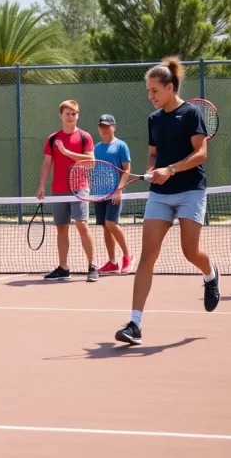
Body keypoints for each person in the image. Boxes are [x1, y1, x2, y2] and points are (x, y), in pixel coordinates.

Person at [115, 57, 220, 346]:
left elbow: (201, 154)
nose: (150, 96)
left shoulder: (191, 114)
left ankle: (210, 275)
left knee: (190, 251)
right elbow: (153, 153)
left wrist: (171, 169)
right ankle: (134, 324)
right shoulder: (154, 120)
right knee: (147, 256)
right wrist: (151, 169)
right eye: (148, 91)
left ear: (170, 87)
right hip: (160, 195)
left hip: (190, 190)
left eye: (154, 91)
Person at [37, 99, 98, 282]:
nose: (71, 117)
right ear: (61, 116)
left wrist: (69, 153)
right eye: (68, 114)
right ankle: (63, 268)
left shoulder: (84, 137)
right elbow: (47, 164)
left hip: (80, 188)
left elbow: (91, 162)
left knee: (82, 225)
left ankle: (92, 266)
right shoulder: (53, 139)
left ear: (77, 115)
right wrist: (41, 185)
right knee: (61, 228)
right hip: (58, 190)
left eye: (74, 114)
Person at [94, 114, 134, 275]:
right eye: (101, 126)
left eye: (107, 126)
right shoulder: (96, 148)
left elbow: (127, 169)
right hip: (99, 195)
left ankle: (127, 256)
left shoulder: (121, 146)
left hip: (114, 193)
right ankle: (112, 262)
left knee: (111, 223)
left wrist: (119, 189)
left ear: (114, 127)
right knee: (105, 227)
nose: (104, 129)